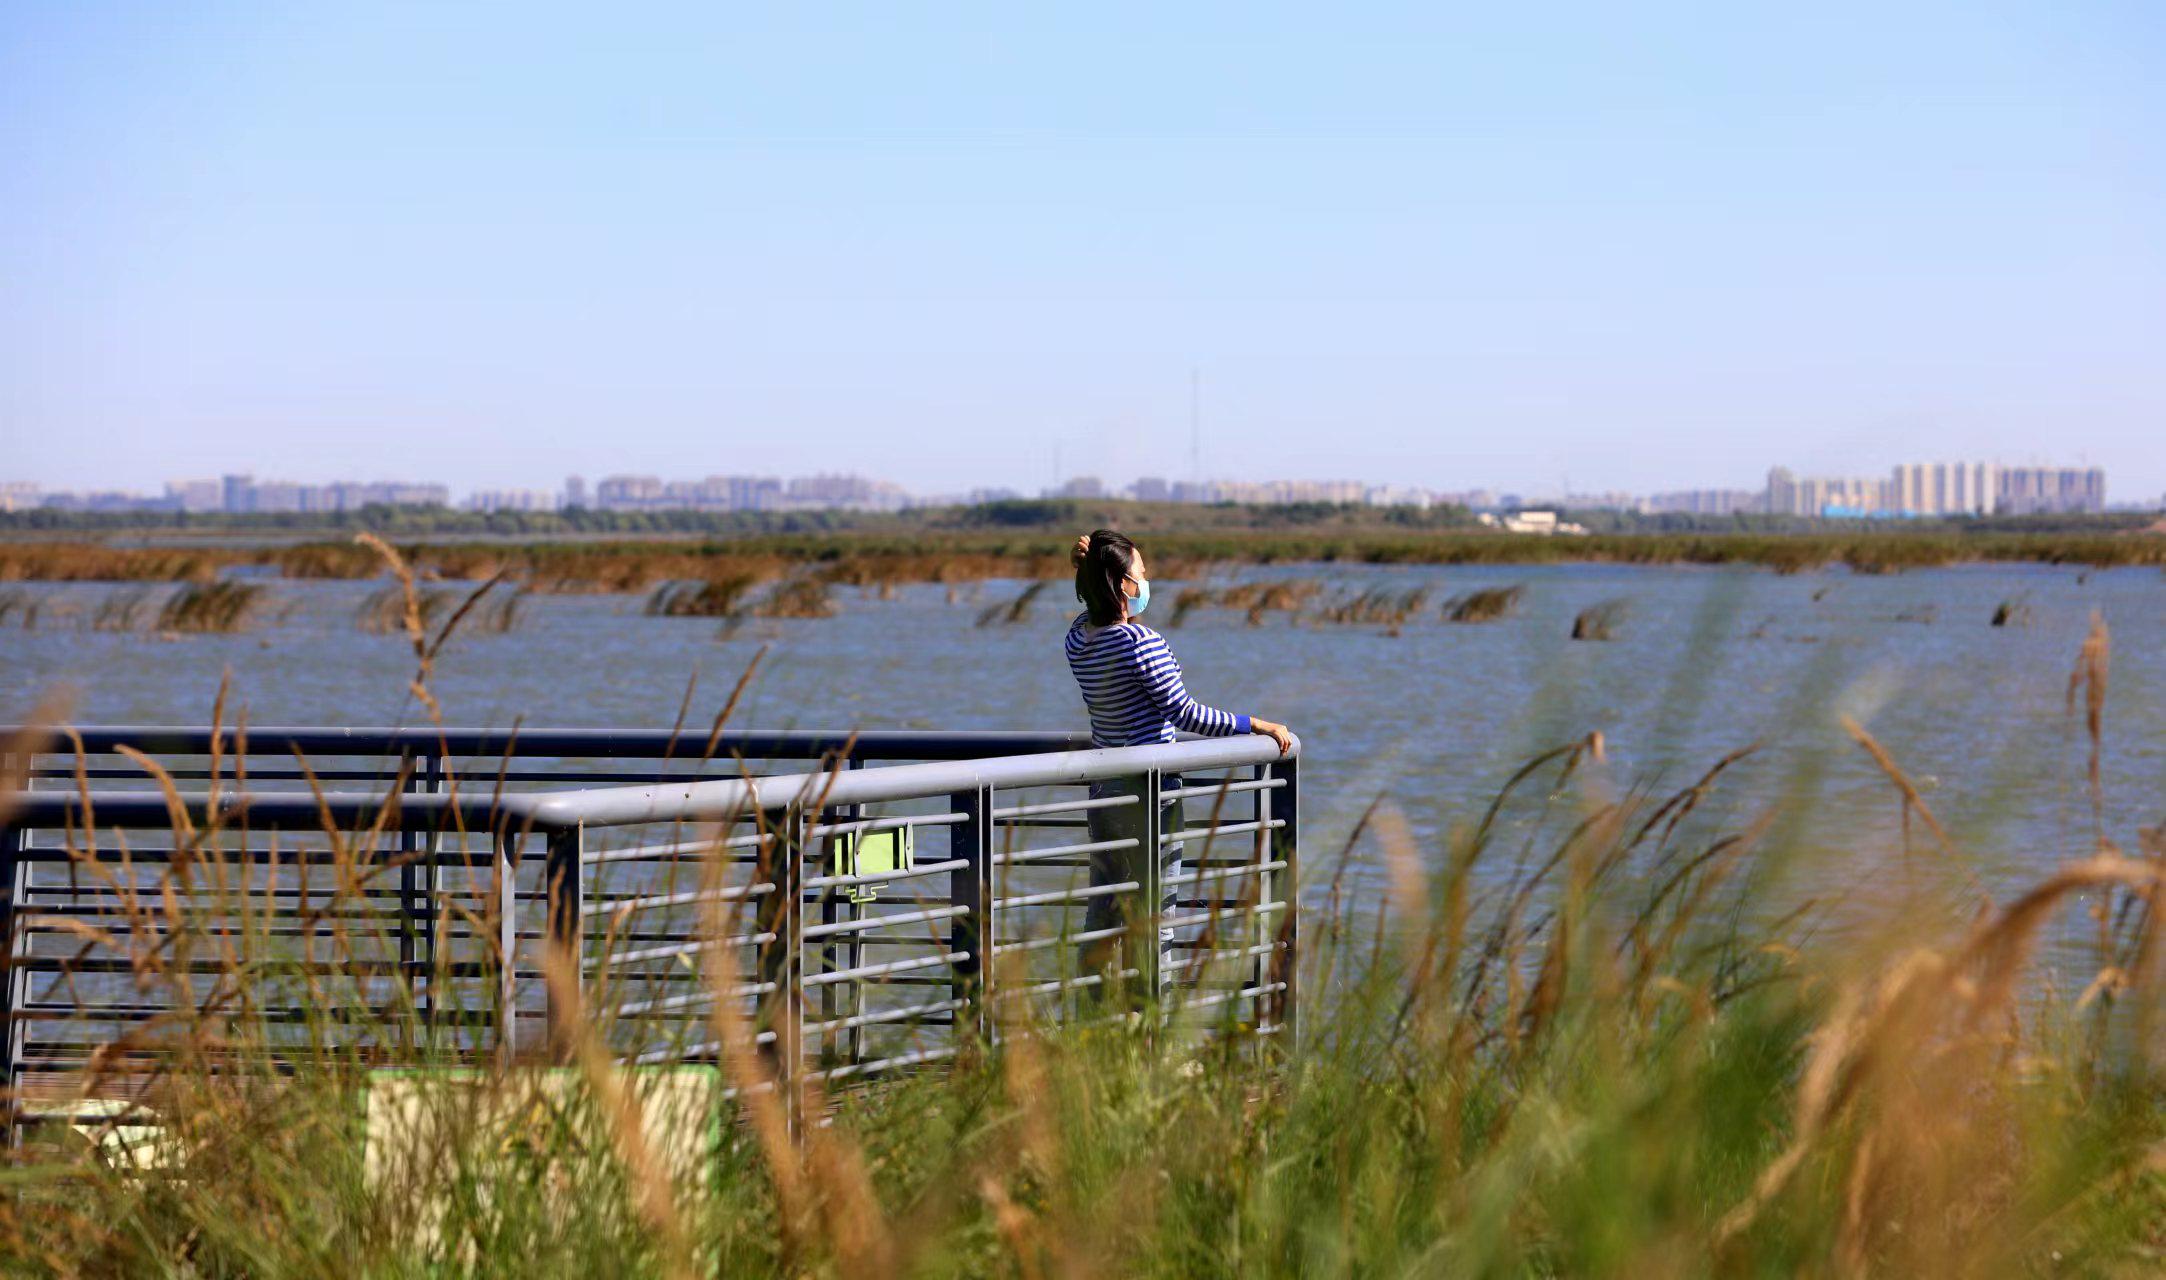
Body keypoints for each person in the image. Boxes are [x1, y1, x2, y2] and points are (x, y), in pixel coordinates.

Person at [1063, 529, 1294, 1003]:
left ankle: (1088, 1021)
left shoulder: (1077, 640)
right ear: (1124, 584)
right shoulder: (1139, 642)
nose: (1147, 580)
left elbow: (1089, 614)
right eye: (1142, 573)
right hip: (1152, 795)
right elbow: (1186, 713)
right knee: (1157, 915)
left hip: (1105, 793)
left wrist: (1084, 571)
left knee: (1104, 910)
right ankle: (1155, 1031)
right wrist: (1257, 724)